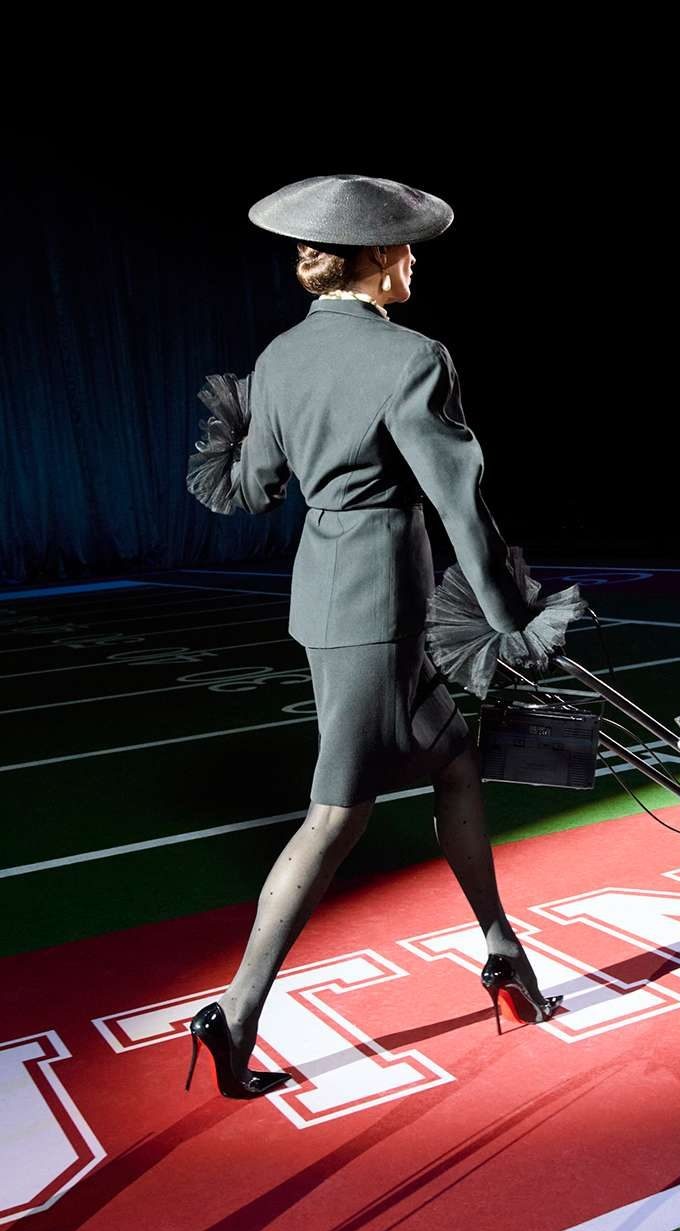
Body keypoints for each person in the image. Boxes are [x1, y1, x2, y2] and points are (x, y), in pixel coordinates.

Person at [184, 175, 563, 1099]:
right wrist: (510, 619)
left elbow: (256, 485)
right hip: (378, 614)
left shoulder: (279, 356)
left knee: (456, 762)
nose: (414, 259)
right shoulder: (413, 358)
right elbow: (460, 506)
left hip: (325, 599)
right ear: (374, 258)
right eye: (403, 245)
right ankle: (235, 1012)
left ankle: (501, 946)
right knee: (336, 814)